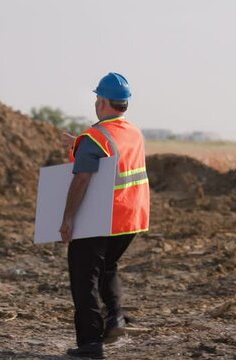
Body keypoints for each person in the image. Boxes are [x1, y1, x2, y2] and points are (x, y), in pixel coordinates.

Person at [60, 72, 150, 359]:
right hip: (131, 218)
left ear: (101, 101)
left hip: (104, 218)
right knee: (107, 266)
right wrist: (80, 144)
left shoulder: (95, 136)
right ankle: (115, 319)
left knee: (84, 276)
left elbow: (82, 178)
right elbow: (112, 153)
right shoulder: (133, 131)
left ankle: (90, 344)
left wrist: (67, 218)